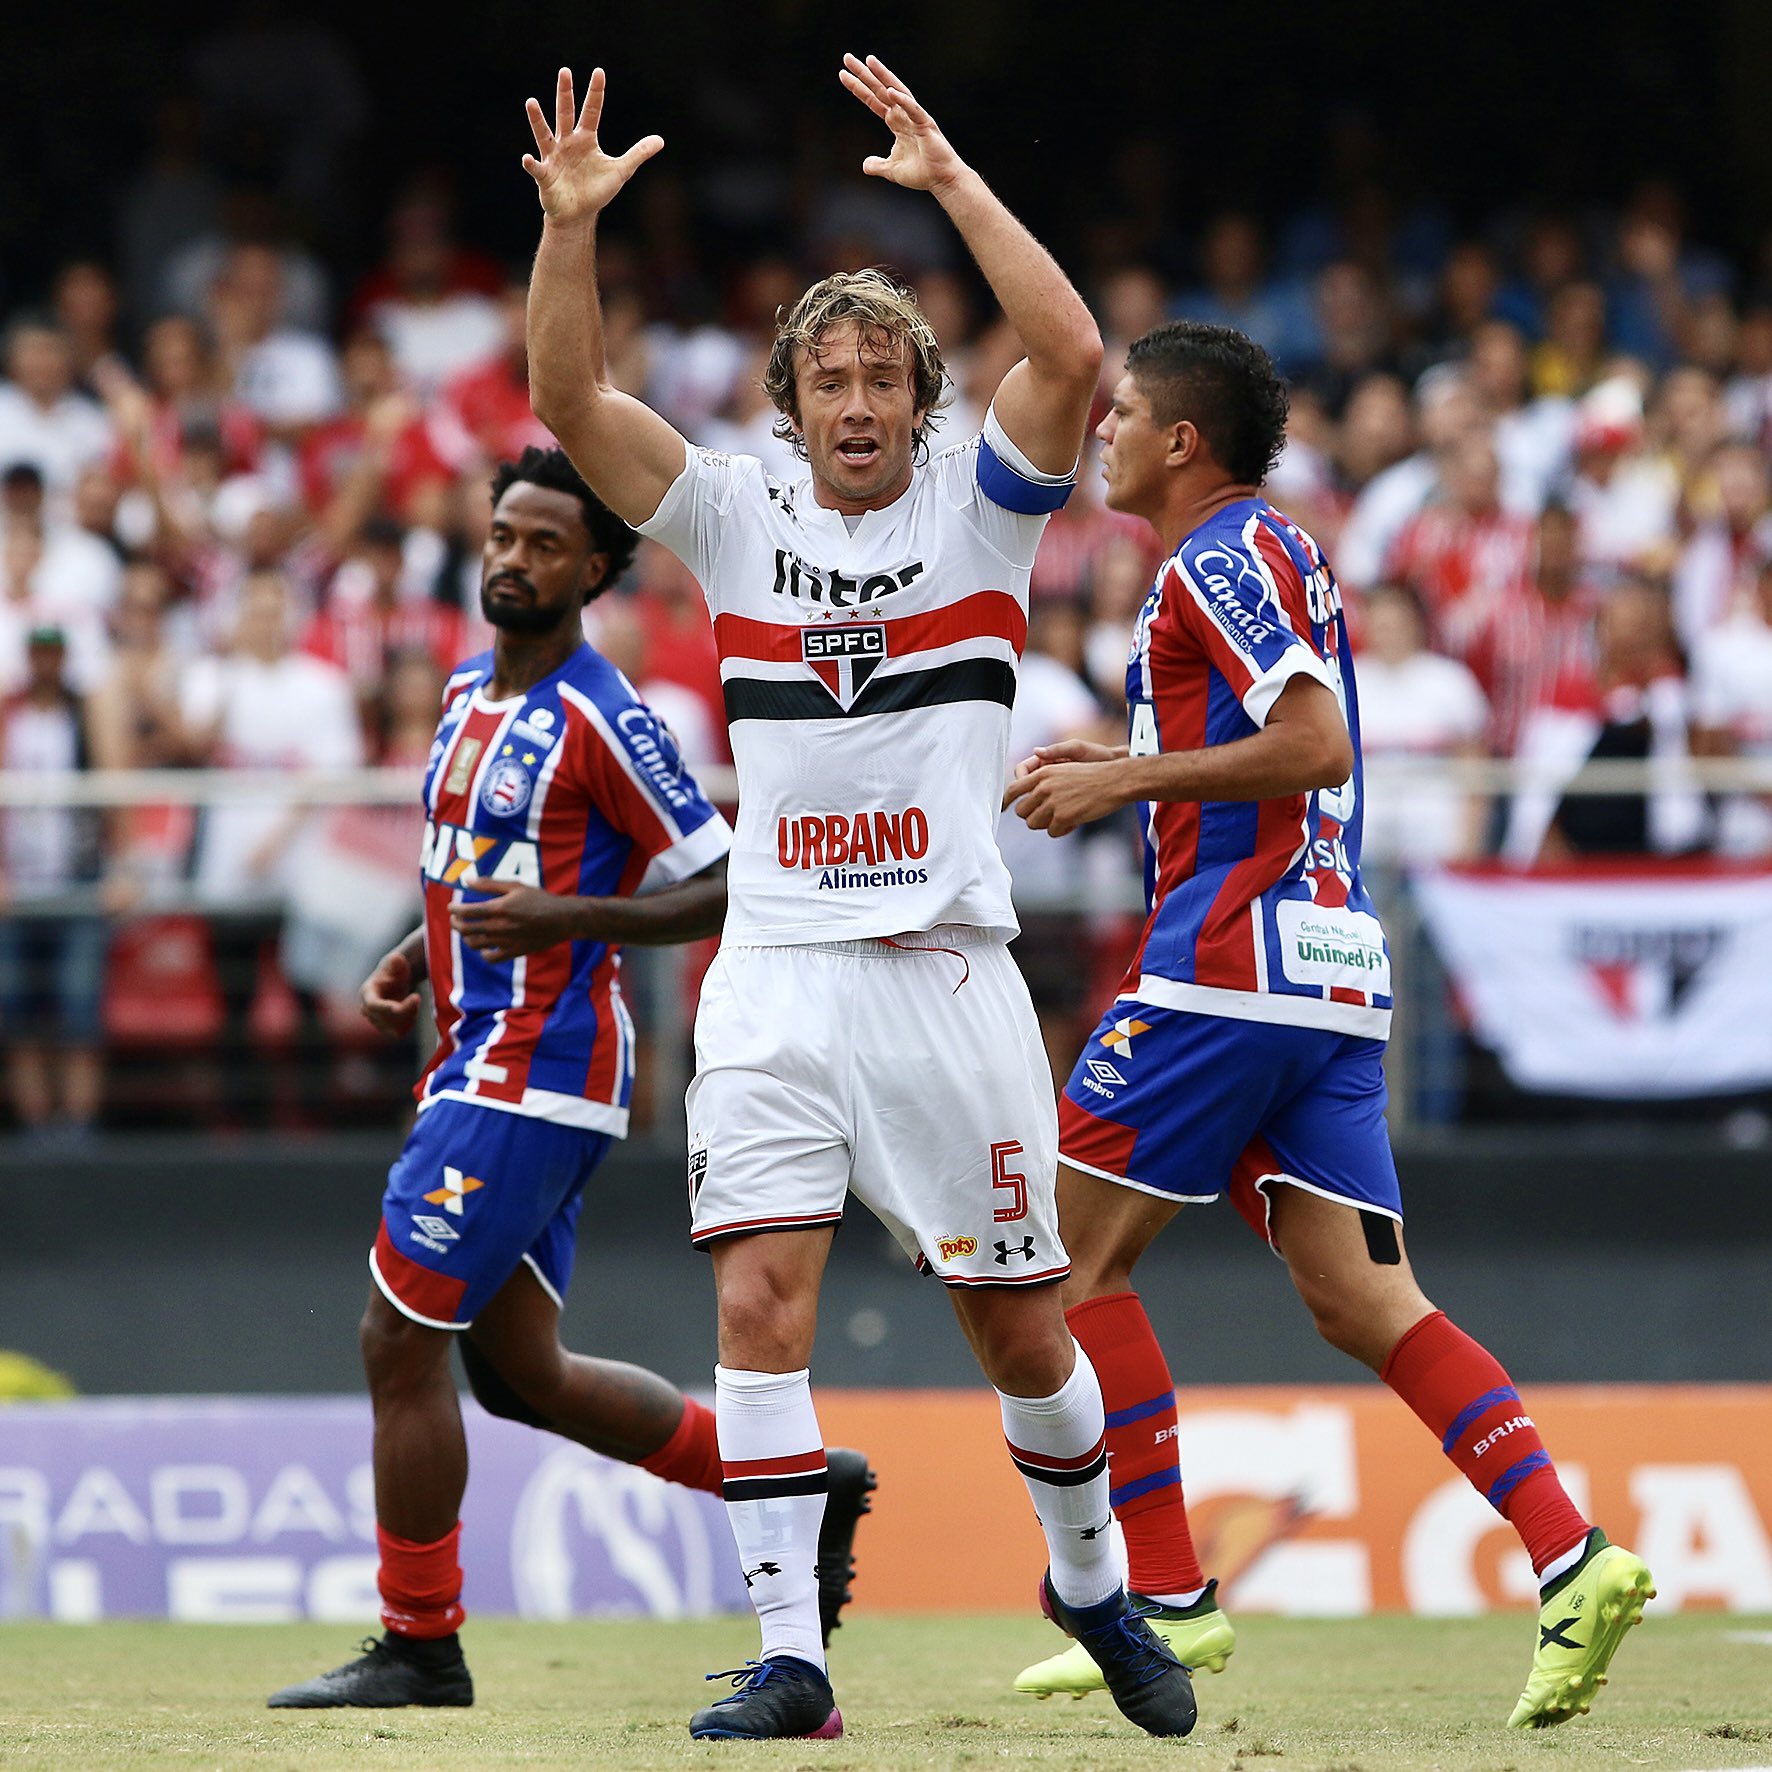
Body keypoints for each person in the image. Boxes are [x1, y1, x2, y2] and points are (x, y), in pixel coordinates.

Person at [522, 57, 1198, 1744]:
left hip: (946, 976)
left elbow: (1069, 357)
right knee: (757, 1303)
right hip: (773, 975)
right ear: (786, 399)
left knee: (1019, 1329)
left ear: (914, 397)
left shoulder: (982, 513)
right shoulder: (730, 515)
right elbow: (570, 405)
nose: (852, 399)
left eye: (879, 372)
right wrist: (569, 230)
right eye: (823, 375)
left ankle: (1095, 1586)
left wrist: (955, 181)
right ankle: (792, 1658)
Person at [1003, 320, 1654, 1730]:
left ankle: (1165, 1594)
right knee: (1364, 1298)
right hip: (1330, 971)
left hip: (1225, 967)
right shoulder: (1286, 546)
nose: (1099, 431)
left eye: (1120, 415)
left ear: (1182, 441)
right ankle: (1573, 1557)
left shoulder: (1217, 556)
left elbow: (1314, 743)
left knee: (1066, 1261)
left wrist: (1126, 777)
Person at [267, 447, 874, 1708]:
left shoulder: (603, 714)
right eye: (502, 533)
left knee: (396, 1337)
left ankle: (421, 1643)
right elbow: (468, 871)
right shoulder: (461, 693)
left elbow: (724, 875)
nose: (511, 558)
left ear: (593, 570)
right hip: (474, 1050)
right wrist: (412, 955)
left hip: (536, 1068)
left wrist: (568, 916)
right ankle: (799, 1481)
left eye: (544, 544)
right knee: (519, 1371)